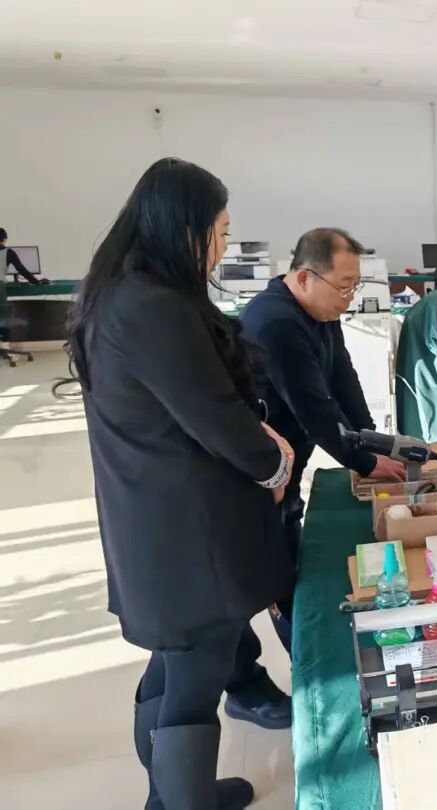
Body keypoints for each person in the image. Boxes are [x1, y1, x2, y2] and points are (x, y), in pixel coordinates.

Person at [64, 158, 296, 809]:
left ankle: (167, 797)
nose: (221, 247)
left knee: (171, 666)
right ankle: (181, 802)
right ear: (183, 228)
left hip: (152, 519)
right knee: (194, 682)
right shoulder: (155, 308)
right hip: (191, 533)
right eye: (218, 232)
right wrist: (274, 461)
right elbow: (215, 415)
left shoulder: (117, 293)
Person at [240, 228, 406, 650]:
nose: (349, 297)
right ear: (304, 277)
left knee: (289, 547)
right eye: (343, 286)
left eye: (355, 286)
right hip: (258, 474)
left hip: (288, 462)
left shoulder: (319, 313)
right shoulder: (276, 322)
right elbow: (313, 409)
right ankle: (302, 660)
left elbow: (342, 378)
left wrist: (373, 441)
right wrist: (365, 462)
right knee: (274, 572)